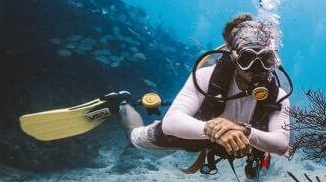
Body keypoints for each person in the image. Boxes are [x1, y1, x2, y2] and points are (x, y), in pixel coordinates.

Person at [117, 14, 291, 173]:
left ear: (274, 62)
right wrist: (217, 131)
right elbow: (171, 122)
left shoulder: (278, 96)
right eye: (247, 59)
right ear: (234, 57)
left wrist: (243, 131)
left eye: (266, 60)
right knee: (134, 139)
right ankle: (122, 103)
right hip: (188, 135)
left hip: (216, 141)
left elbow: (281, 144)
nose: (257, 69)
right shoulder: (207, 76)